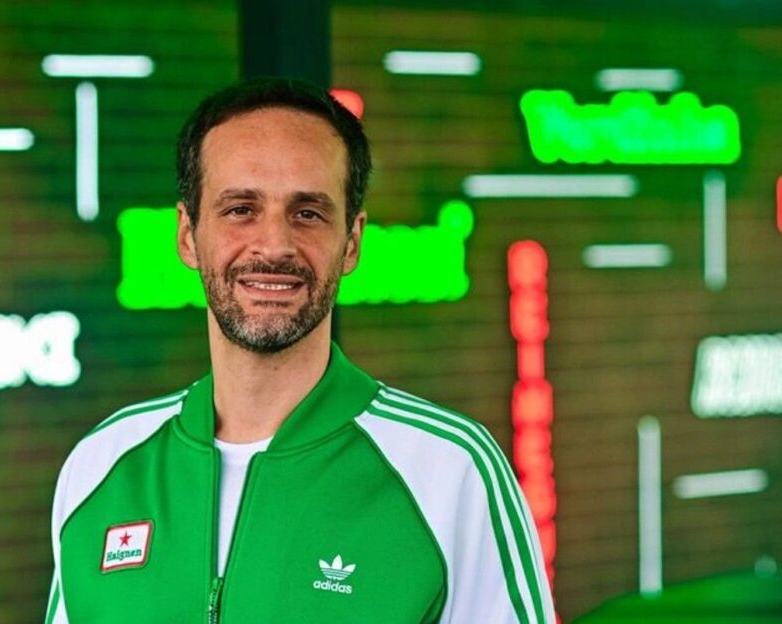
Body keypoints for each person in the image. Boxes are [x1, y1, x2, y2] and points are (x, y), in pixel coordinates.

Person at [45, 77, 555, 623]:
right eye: (240, 209)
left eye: (308, 213)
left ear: (352, 242)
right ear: (188, 235)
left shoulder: (451, 471)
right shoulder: (99, 466)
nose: (275, 245)